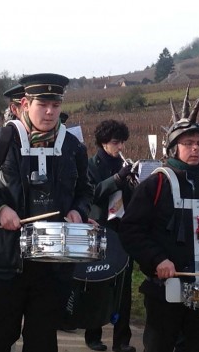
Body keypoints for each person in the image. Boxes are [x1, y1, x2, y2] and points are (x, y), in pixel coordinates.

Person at [0, 73, 93, 352]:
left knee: (43, 340)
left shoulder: (72, 147)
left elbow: (85, 190)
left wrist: (78, 212)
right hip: (6, 261)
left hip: (53, 264)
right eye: (42, 104)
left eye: (55, 105)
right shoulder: (0, 141)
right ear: (24, 103)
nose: (49, 112)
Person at [119, 92, 199, 352]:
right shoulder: (156, 183)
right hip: (165, 288)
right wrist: (156, 260)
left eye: (198, 143)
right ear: (174, 147)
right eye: (188, 143)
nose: (195, 148)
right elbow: (130, 229)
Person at [84, 119, 136, 352]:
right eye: (116, 143)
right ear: (103, 142)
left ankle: (122, 341)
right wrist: (117, 179)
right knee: (98, 283)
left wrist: (135, 180)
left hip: (123, 230)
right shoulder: (91, 165)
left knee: (124, 287)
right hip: (101, 228)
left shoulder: (123, 164)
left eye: (122, 142)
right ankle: (93, 335)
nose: (120, 147)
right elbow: (93, 193)